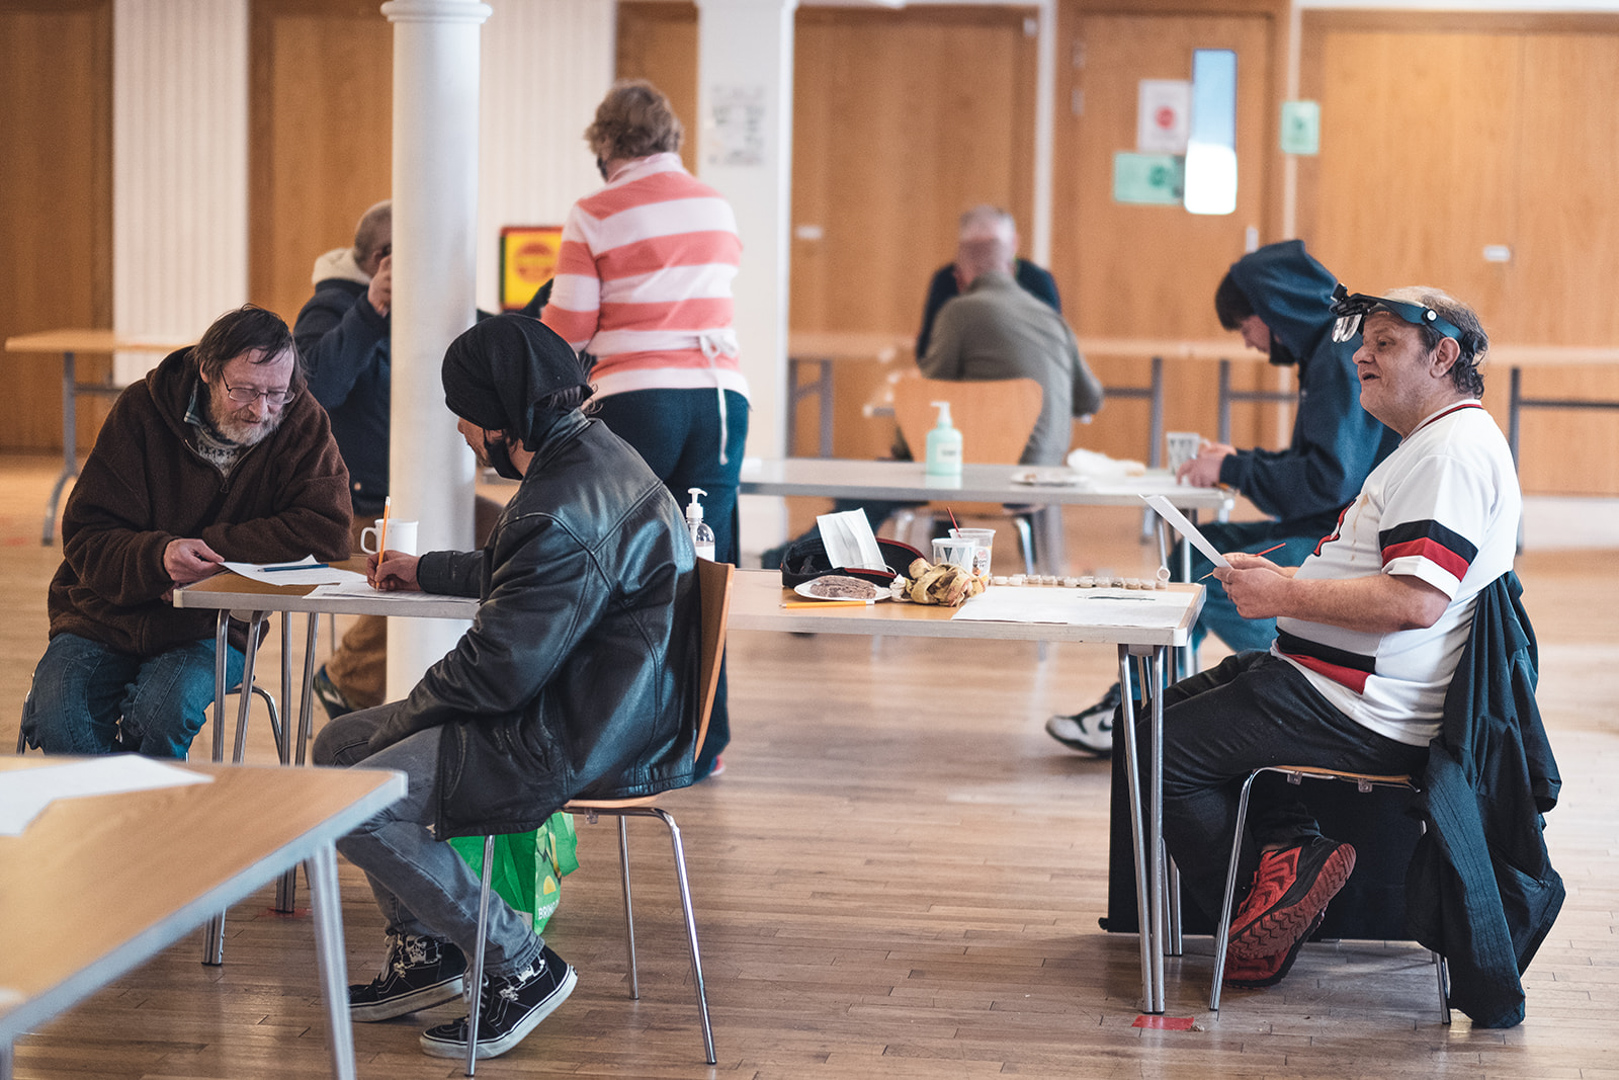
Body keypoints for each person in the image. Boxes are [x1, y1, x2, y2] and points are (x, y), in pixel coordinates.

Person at [311, 314, 702, 1061]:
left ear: (497, 418)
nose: (460, 429)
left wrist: (403, 722)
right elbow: (528, 573)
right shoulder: (588, 456)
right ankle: (427, 955)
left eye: (463, 411)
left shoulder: (556, 504)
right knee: (337, 745)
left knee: (357, 808)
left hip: (569, 731)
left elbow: (498, 670)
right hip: (599, 702)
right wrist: (428, 570)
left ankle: (517, 961)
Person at [1156, 286, 1518, 990]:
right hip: (1331, 686)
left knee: (1155, 749)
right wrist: (1283, 580)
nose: (1360, 355)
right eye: (1364, 343)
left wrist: (1284, 593)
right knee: (1152, 719)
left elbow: (1413, 601)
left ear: (1442, 356)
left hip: (1356, 706)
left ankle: (1256, 926)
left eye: (1384, 343)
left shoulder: (1449, 455)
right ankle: (1293, 855)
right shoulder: (1433, 443)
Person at [1047, 239, 1400, 756]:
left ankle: (1303, 682)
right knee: (1194, 551)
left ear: (1271, 307)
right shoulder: (1330, 349)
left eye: (1244, 327)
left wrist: (1236, 467)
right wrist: (1239, 461)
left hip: (1343, 540)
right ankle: (1144, 707)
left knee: (1211, 572)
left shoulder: (1336, 357)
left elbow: (1326, 481)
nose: (1250, 343)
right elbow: (1324, 465)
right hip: (1339, 525)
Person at [21, 305, 352, 758]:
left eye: (277, 393)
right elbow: (88, 530)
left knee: (162, 715)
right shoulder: (142, 410)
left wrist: (212, 551)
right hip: (102, 612)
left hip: (212, 624)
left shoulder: (301, 420)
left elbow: (327, 530)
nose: (261, 410)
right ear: (207, 372)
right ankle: (130, 819)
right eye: (244, 391)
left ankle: (143, 819)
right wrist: (158, 557)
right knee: (61, 719)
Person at [541, 78, 744, 779]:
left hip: (638, 396)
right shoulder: (714, 204)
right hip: (720, 399)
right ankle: (703, 744)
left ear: (603, 143)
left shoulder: (595, 211)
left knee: (620, 565)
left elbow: (569, 328)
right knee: (704, 567)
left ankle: (615, 740)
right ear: (670, 136)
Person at [294, 200, 501, 718]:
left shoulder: (430, 304)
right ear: (380, 258)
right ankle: (348, 680)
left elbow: (501, 337)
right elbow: (315, 388)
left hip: (417, 496)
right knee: (428, 551)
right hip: (353, 507)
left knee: (510, 541)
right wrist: (370, 311)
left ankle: (475, 681)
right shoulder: (331, 308)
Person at [920, 228, 1103, 466]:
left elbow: (932, 390)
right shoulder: (1053, 318)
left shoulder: (957, 312)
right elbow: (1090, 400)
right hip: (1045, 473)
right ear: (1013, 270)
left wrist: (897, 450)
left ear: (959, 278)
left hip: (983, 471)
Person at [916, 205, 1061, 359]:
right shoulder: (946, 279)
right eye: (975, 250)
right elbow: (926, 351)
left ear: (1014, 243)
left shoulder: (1039, 281)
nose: (984, 260)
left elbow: (1055, 349)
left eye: (994, 248)